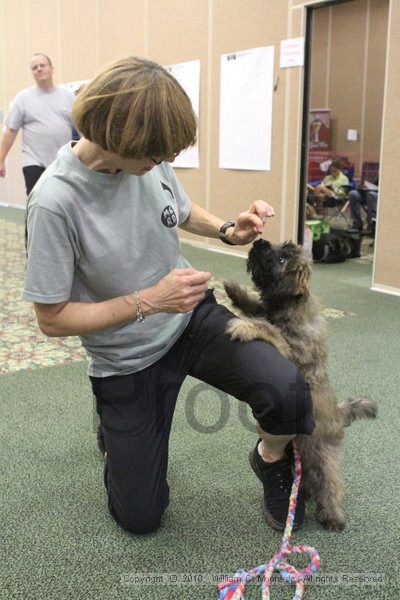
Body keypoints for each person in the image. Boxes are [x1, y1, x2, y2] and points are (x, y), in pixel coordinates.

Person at [23, 57, 315, 535]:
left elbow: (178, 208)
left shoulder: (145, 164)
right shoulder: (56, 202)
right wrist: (151, 300)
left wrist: (226, 229)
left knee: (290, 394)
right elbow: (51, 318)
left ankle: (270, 459)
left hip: (190, 320)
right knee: (139, 518)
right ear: (119, 141)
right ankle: (113, 430)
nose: (165, 164)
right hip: (126, 355)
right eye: (157, 157)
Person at [0, 53, 75, 196]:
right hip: (34, 160)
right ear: (32, 73)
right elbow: (10, 132)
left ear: (52, 69)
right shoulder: (22, 98)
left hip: (62, 161)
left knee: (63, 200)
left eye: (42, 65)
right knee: (37, 200)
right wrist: (1, 160)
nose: (39, 69)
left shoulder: (69, 96)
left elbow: (82, 129)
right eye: (34, 67)